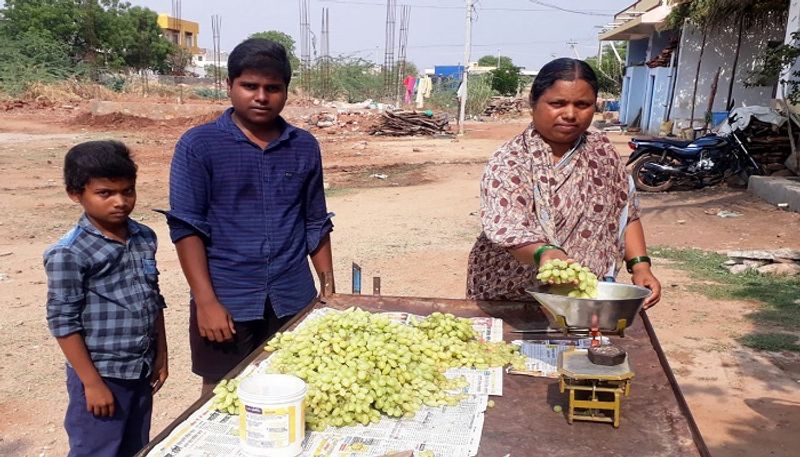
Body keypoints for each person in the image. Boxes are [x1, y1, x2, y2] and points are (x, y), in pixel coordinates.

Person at [161, 38, 335, 395]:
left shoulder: (303, 145)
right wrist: (206, 302)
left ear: (286, 91)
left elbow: (315, 220)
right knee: (221, 394)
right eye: (249, 86)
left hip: (293, 296)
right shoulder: (199, 145)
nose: (261, 97)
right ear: (229, 87)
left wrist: (329, 291)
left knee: (297, 384)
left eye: (273, 88)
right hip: (227, 299)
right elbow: (187, 228)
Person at [467, 58, 661, 308]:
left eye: (582, 104)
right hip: (513, 294)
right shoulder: (510, 160)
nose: (570, 114)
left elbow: (625, 212)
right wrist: (545, 254)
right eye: (557, 103)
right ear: (533, 103)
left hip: (584, 295)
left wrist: (641, 266)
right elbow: (509, 227)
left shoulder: (601, 151)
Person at [45, 141, 168, 457]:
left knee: (137, 445)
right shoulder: (69, 253)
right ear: (76, 194)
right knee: (97, 449)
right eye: (105, 193)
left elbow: (153, 297)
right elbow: (63, 322)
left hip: (139, 368)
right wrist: (92, 384)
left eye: (127, 191)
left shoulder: (144, 237)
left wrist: (161, 354)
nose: (120, 202)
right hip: (101, 373)